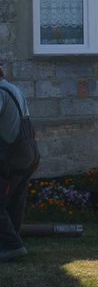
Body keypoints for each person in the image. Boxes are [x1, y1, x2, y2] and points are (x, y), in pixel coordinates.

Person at [0, 64, 40, 261]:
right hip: (29, 154)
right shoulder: (13, 89)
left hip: (13, 157)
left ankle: (12, 245)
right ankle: (11, 242)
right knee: (14, 200)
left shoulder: (0, 92)